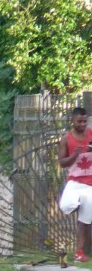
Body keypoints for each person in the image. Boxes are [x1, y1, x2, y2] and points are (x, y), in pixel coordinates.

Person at [58, 107, 92, 262]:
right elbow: (62, 162)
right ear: (72, 121)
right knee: (66, 205)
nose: (82, 124)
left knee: (84, 220)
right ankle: (78, 205)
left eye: (85, 121)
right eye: (79, 121)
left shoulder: (91, 134)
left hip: (89, 185)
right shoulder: (67, 139)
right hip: (74, 182)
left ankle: (79, 252)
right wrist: (75, 155)